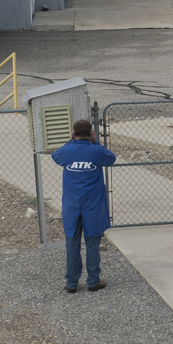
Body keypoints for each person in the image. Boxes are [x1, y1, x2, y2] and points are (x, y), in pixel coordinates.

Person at [50, 119, 117, 293]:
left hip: (72, 206)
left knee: (72, 242)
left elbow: (55, 155)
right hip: (92, 205)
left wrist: (69, 141)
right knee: (93, 242)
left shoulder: (66, 151)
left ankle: (71, 282)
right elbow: (111, 158)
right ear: (90, 133)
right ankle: (93, 281)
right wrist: (96, 143)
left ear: (74, 133)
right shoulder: (96, 151)